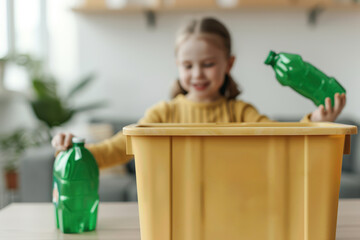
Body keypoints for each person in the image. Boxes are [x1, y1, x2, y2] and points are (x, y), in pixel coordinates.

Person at [51, 17, 346, 169]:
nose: (197, 74)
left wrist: (316, 120)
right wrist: (75, 151)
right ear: (177, 66)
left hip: (234, 203)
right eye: (188, 65)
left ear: (228, 64)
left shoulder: (241, 113)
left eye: (207, 64)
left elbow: (282, 142)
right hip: (176, 209)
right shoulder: (163, 114)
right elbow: (116, 149)